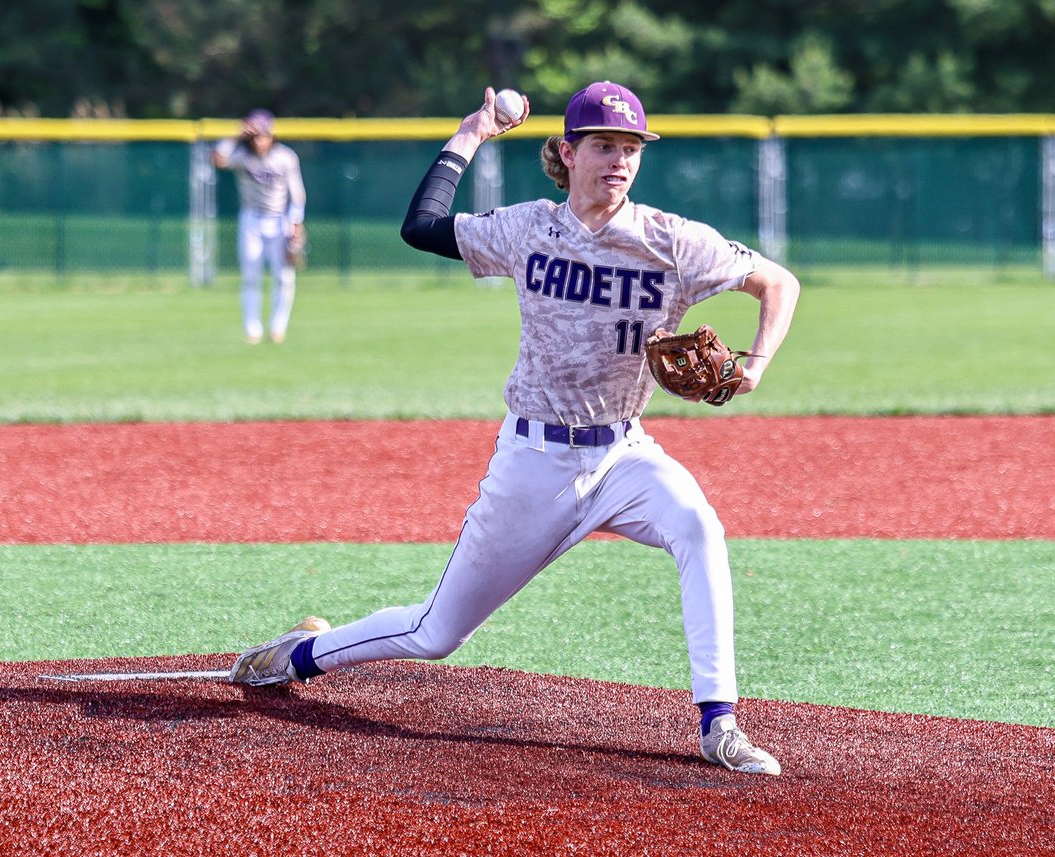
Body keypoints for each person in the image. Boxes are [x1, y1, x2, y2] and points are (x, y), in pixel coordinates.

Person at [230, 82, 802, 776]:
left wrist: (757, 365)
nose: (619, 160)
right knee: (434, 632)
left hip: (623, 453)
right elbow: (421, 226)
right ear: (569, 151)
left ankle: (720, 724)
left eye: (630, 149)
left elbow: (779, 283)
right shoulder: (529, 228)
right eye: (603, 146)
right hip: (534, 461)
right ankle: (296, 654)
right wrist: (472, 132)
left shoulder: (672, 242)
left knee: (697, 524)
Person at [211, 109, 307, 344]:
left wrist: (296, 225)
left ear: (272, 136)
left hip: (279, 220)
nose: (260, 140)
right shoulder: (243, 156)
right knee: (251, 275)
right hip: (251, 219)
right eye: (255, 136)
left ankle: (278, 328)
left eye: (263, 135)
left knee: (284, 277)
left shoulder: (285, 157)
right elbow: (217, 159)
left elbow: (297, 195)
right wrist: (236, 135)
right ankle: (252, 329)